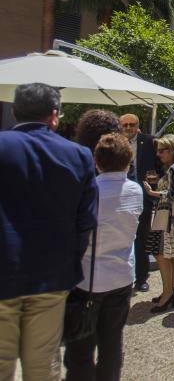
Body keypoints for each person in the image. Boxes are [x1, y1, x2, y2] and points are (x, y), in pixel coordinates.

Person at [0, 83, 97, 381]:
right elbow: (86, 221)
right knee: (42, 365)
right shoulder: (78, 155)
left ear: (15, 111)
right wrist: (70, 260)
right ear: (54, 116)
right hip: (52, 275)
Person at [64, 133, 143, 381]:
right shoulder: (135, 190)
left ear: (97, 161)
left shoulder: (89, 191)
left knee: (81, 350)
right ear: (128, 161)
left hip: (88, 279)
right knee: (112, 346)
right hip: (121, 277)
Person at [143, 134, 174, 313]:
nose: (158, 154)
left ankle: (168, 293)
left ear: (171, 150)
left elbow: (173, 194)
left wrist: (152, 192)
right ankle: (168, 291)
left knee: (162, 254)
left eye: (161, 150)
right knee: (171, 255)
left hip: (169, 215)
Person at [120, 113, 159, 293]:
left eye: (132, 124)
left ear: (138, 125)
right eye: (125, 125)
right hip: (120, 196)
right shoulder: (115, 142)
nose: (128, 128)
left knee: (143, 236)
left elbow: (159, 166)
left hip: (143, 196)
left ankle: (141, 278)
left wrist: (155, 182)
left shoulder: (149, 141)